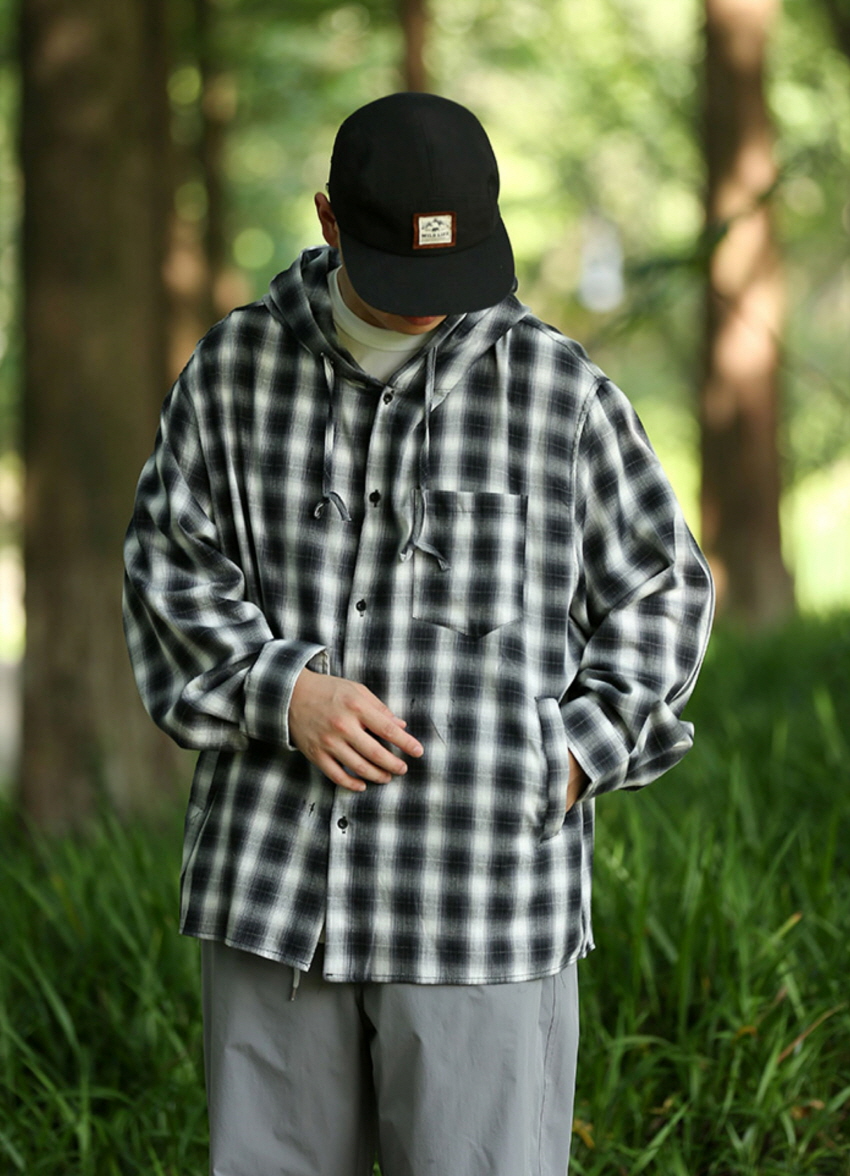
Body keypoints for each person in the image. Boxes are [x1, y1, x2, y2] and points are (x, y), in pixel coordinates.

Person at [123, 92, 714, 1176]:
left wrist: (570, 757)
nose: (430, 310)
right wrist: (281, 692)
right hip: (274, 897)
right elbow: (168, 570)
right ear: (329, 220)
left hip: (482, 904)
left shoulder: (561, 393)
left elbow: (663, 591)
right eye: (403, 278)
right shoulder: (232, 373)